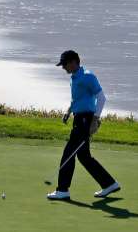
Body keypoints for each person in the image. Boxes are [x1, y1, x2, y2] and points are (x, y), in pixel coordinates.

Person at [47, 50, 121, 201]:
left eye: (65, 64)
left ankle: (62, 190)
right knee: (84, 156)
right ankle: (109, 183)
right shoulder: (74, 77)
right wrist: (69, 111)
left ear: (74, 62)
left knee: (69, 153)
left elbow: (101, 98)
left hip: (85, 120)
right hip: (79, 118)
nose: (63, 68)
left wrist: (95, 120)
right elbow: (78, 98)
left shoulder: (88, 76)